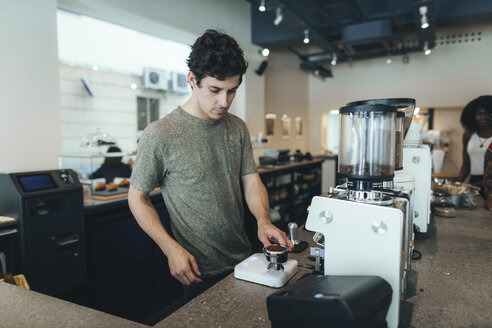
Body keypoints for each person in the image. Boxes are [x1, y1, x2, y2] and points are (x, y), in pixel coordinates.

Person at [128, 29, 292, 301]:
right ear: (192, 79)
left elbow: (251, 180)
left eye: (232, 91)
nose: (224, 102)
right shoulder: (160, 134)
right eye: (215, 90)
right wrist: (170, 248)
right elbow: (137, 198)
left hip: (245, 257)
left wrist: (263, 221)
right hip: (197, 269)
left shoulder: (237, 128)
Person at [457, 95, 492, 193]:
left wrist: (480, 183)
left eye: (487, 113)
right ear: (473, 116)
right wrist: (457, 185)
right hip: (474, 181)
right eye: (479, 113)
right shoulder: (468, 135)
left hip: (489, 182)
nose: (483, 117)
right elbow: (466, 164)